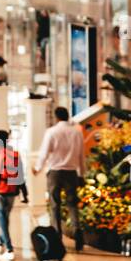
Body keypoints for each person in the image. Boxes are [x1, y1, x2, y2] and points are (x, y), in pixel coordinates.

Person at [34, 105, 86, 251]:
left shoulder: (51, 132)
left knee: (55, 204)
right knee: (72, 204)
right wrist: (81, 174)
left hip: (55, 172)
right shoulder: (77, 133)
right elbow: (82, 155)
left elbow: (44, 153)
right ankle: (77, 231)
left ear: (56, 117)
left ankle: (57, 235)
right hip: (71, 172)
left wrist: (37, 168)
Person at [0, 129, 28, 260]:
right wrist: (25, 193)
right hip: (12, 191)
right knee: (5, 218)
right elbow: (20, 175)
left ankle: (9, 249)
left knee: (2, 219)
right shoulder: (14, 154)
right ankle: (0, 240)